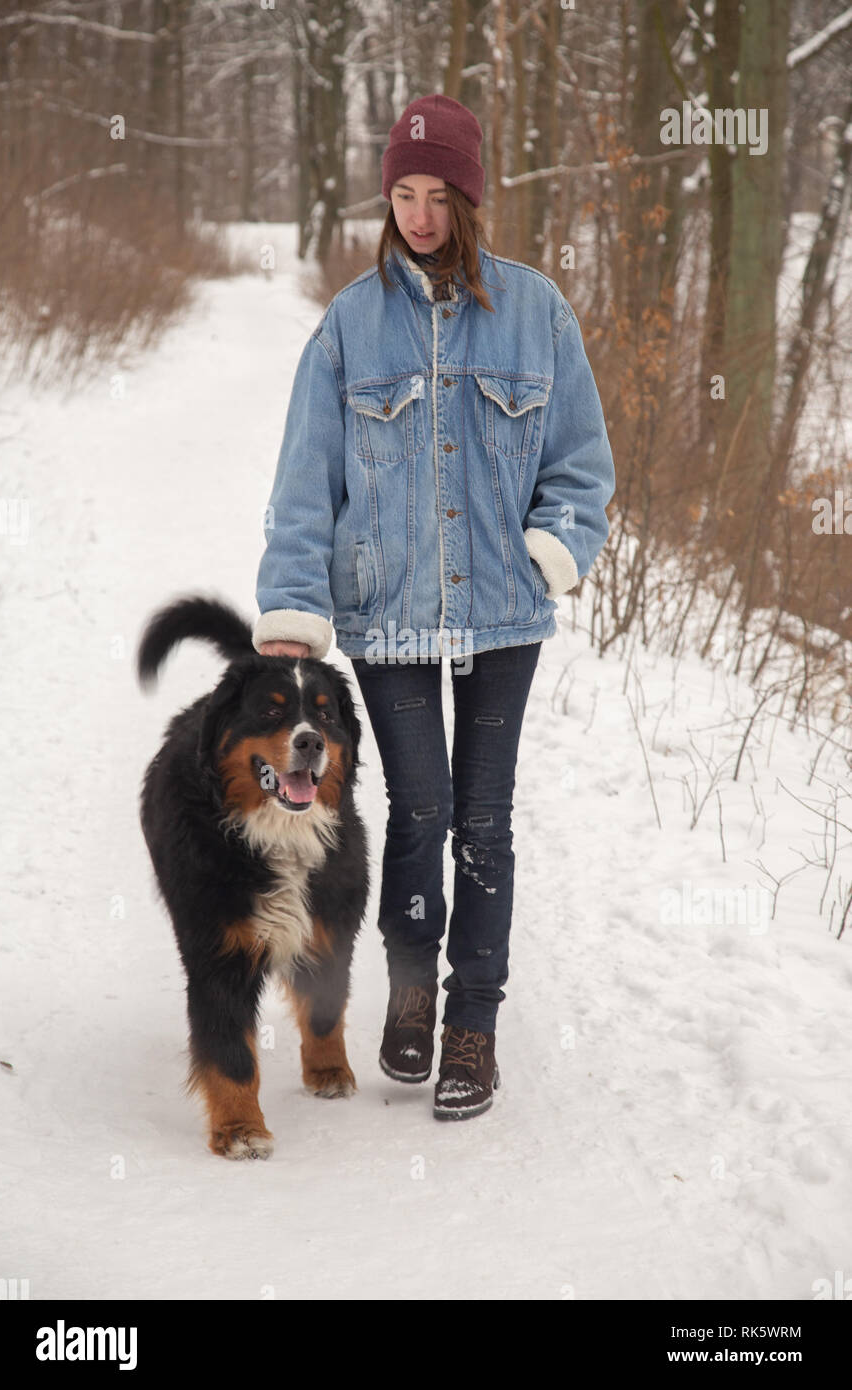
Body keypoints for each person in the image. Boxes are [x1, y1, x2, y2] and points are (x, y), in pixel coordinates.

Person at [253, 94, 615, 1121]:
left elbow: (581, 463)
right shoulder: (349, 325)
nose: (417, 214)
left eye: (436, 194)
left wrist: (553, 548)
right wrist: (291, 606)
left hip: (502, 615)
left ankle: (473, 1025)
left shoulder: (535, 311)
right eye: (401, 194)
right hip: (387, 613)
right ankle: (410, 994)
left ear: (469, 196)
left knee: (484, 822)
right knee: (417, 812)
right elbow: (303, 482)